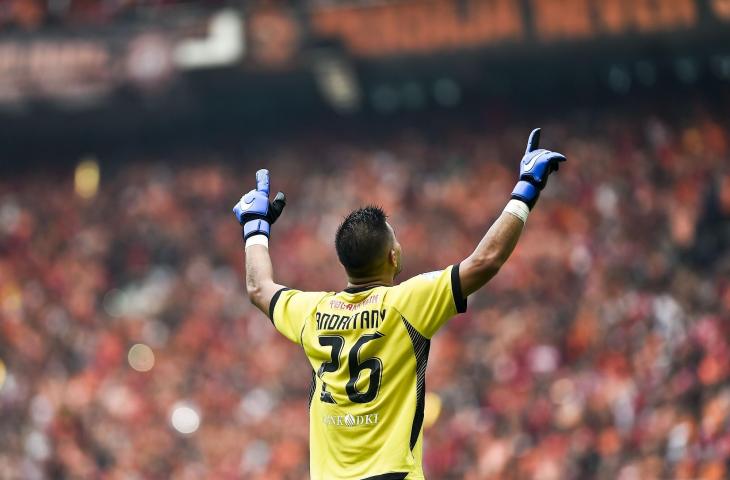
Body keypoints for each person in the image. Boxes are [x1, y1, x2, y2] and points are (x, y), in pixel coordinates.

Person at [233, 129, 566, 480]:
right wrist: (525, 189)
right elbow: (486, 261)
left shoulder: (312, 313)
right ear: (392, 257)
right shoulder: (408, 302)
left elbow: (258, 288)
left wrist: (255, 230)